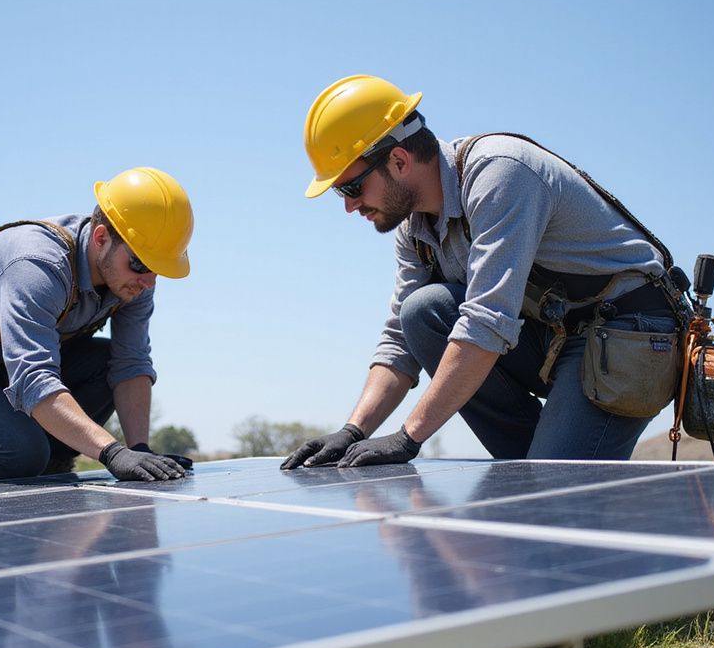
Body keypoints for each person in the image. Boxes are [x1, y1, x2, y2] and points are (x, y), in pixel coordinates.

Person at [283, 75, 686, 471]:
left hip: (627, 334)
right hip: (554, 335)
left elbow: (485, 323)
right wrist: (354, 430)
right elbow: (399, 341)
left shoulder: (500, 174)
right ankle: (538, 474)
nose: (349, 207)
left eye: (350, 188)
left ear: (399, 160)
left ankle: (552, 484)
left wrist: (409, 437)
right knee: (423, 312)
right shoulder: (416, 230)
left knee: (551, 492)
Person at [0, 167, 195, 489]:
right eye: (140, 263)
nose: (149, 280)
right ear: (101, 238)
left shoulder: (133, 283)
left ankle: (51, 460)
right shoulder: (37, 266)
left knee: (104, 364)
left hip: (3, 364)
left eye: (157, 267)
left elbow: (130, 363)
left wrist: (139, 450)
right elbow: (32, 380)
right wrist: (112, 453)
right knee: (19, 453)